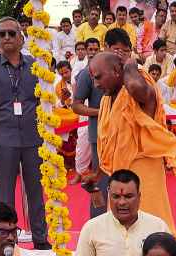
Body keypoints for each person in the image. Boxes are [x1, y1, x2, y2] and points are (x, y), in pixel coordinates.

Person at [91, 40, 176, 234]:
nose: (96, 84)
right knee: (121, 235)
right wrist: (97, 176)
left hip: (144, 174)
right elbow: (110, 144)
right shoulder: (108, 100)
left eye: (99, 77)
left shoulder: (138, 84)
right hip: (119, 180)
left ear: (117, 71)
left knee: (155, 232)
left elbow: (135, 86)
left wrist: (131, 65)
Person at [0, 18, 50, 250]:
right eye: (1, 34)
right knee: (5, 193)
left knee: (36, 190)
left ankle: (40, 238)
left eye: (11, 33)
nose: (6, 38)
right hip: (3, 136)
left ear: (21, 37)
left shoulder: (35, 64)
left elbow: (46, 102)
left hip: (33, 137)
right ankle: (6, 241)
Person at [72, 37, 109, 218]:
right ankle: (98, 221)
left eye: (96, 48)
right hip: (98, 134)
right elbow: (76, 106)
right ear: (85, 51)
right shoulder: (85, 74)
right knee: (100, 178)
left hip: (120, 133)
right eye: (90, 48)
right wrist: (100, 112)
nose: (93, 51)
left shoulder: (114, 71)